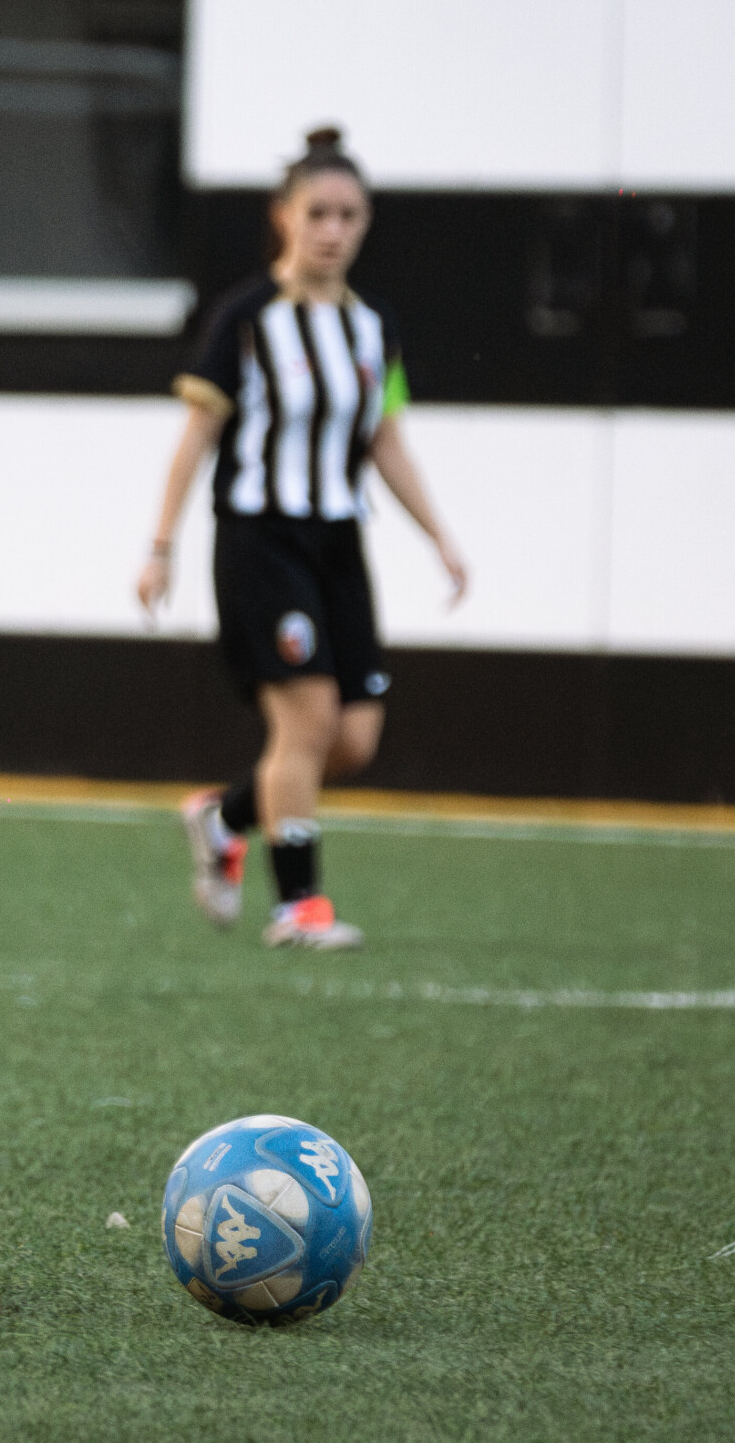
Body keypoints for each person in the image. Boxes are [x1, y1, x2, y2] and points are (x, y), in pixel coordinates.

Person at [137, 127, 467, 949]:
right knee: (306, 721)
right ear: (284, 217)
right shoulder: (245, 320)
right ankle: (300, 906)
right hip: (260, 539)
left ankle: (224, 820)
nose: (333, 229)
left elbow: (385, 439)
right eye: (317, 212)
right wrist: (160, 545)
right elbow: (196, 437)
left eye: (349, 215)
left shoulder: (372, 329)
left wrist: (440, 539)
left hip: (339, 542)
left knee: (352, 740)